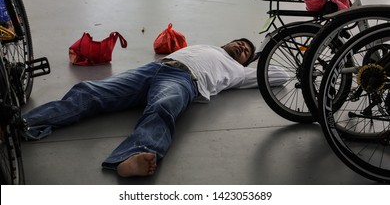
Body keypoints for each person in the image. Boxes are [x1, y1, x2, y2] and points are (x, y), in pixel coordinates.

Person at [22, 38, 288, 177]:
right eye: (240, 42)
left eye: (245, 51)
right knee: (89, 91)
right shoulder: (206, 46)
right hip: (152, 69)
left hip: (183, 80)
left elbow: (279, 75)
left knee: (163, 107)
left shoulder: (239, 72)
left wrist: (266, 57)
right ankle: (23, 124)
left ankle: (134, 157)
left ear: (246, 62)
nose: (241, 47)